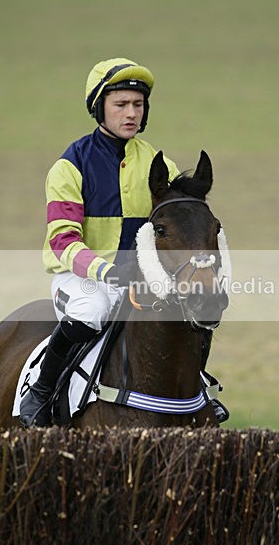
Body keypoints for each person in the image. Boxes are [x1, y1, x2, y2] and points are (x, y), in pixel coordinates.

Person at [19, 57, 180, 428]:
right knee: (92, 312)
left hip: (139, 281)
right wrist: (107, 272)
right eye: (121, 104)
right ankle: (41, 392)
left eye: (138, 105)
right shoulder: (70, 166)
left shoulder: (161, 166)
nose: (131, 114)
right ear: (99, 107)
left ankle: (195, 394)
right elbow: (62, 241)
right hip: (83, 279)